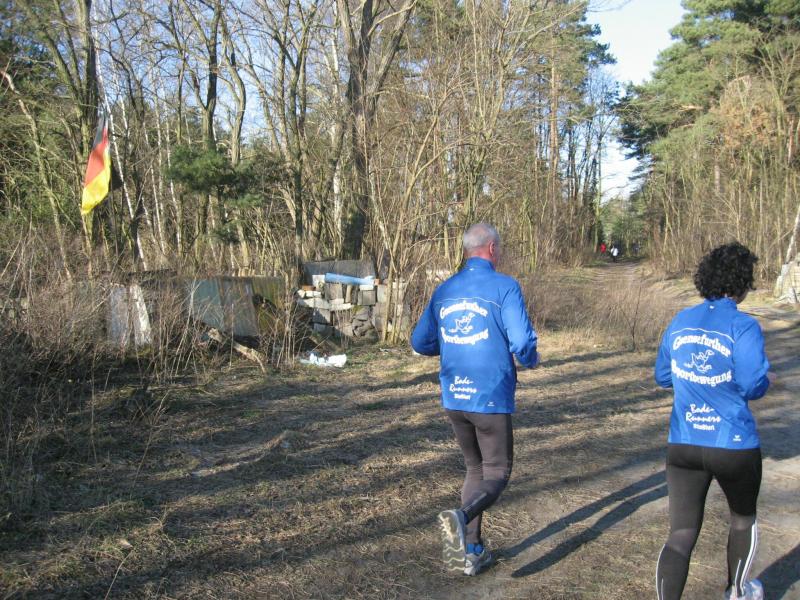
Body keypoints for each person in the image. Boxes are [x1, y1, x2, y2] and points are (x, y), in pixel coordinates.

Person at [410, 223, 540, 576]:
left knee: (474, 468)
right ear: (492, 248)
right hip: (490, 396)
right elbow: (522, 341)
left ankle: (472, 551)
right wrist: (530, 358)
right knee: (498, 471)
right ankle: (462, 515)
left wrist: (454, 346)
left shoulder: (445, 289)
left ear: (468, 250)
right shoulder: (505, 287)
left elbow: (420, 342)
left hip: (455, 396)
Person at [654, 242, 775, 600]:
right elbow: (752, 384)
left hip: (684, 443)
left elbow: (663, 376)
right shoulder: (743, 326)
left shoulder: (680, 321)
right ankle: (737, 592)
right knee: (742, 519)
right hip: (733, 444)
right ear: (743, 283)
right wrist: (762, 380)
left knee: (680, 533)